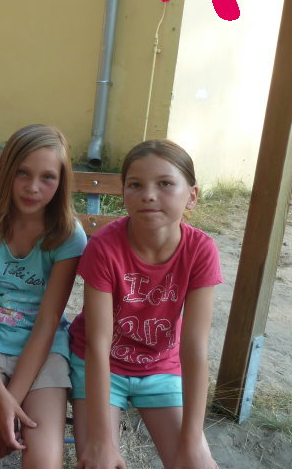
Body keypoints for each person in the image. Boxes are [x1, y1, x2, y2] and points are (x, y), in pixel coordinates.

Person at [69, 139, 221, 469]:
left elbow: (195, 347)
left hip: (160, 367)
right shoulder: (104, 247)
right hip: (101, 365)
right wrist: (101, 440)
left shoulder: (200, 250)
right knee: (100, 462)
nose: (148, 195)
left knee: (197, 464)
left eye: (165, 183)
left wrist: (192, 441)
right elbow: (97, 343)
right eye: (135, 185)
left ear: (191, 195)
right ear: (124, 192)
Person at [0, 124, 87, 469]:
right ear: (7, 171)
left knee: (44, 461)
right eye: (23, 173)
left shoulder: (69, 235)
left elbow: (48, 321)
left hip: (42, 348)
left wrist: (10, 403)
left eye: (47, 177)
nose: (32, 187)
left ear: (61, 182)